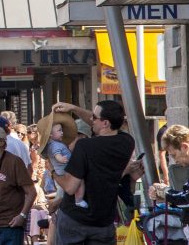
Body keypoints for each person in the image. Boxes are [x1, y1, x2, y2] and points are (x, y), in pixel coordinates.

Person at [50, 101, 140, 245]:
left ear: (105, 123)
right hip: (104, 221)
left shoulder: (84, 146)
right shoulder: (127, 142)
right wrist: (73, 108)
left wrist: (53, 170)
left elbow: (70, 187)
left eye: (94, 117)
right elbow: (102, 124)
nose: (90, 119)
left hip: (75, 219)